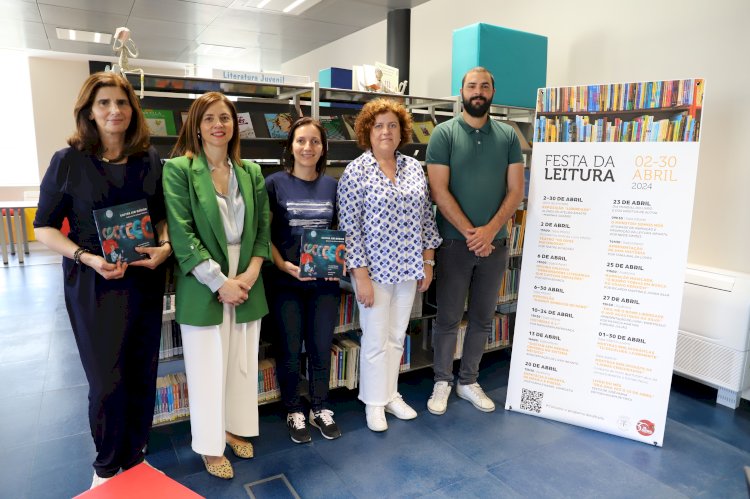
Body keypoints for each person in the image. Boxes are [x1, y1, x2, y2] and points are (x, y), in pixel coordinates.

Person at [33, 72, 173, 490]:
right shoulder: (68, 161)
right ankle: (107, 467)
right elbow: (43, 227)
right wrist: (87, 257)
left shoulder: (149, 159)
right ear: (89, 113)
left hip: (143, 282)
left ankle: (136, 456)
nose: (115, 111)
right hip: (93, 285)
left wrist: (164, 245)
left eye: (122, 103)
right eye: (104, 104)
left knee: (142, 372)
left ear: (133, 111)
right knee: (106, 380)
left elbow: (161, 213)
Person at [162, 92, 271, 479]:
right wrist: (221, 282)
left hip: (247, 276)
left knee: (241, 362)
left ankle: (234, 426)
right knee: (208, 365)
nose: (217, 125)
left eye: (224, 117)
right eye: (208, 118)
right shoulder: (178, 169)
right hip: (203, 281)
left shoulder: (251, 172)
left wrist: (251, 272)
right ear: (196, 124)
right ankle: (210, 446)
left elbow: (261, 229)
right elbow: (181, 232)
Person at [425, 67, 525, 415]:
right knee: (449, 317)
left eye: (484, 86)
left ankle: (468, 381)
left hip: (494, 245)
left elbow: (516, 191)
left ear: (493, 91)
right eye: (472, 86)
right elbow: (438, 190)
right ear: (461, 92)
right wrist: (472, 232)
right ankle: (442, 381)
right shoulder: (443, 134)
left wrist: (488, 232)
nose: (478, 91)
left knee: (483, 317)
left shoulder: (509, 136)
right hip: (454, 244)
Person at [338, 98, 441, 432]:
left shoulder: (413, 168)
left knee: (396, 336)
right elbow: (349, 229)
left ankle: (391, 393)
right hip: (374, 273)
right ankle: (374, 403)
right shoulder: (356, 172)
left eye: (392, 125)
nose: (386, 131)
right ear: (368, 131)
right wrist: (360, 277)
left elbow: (427, 218)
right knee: (374, 338)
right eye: (379, 125)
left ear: (401, 132)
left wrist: (429, 261)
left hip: (409, 267)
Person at [264, 117, 342, 443]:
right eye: (301, 141)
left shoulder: (332, 186)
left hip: (324, 283)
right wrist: (282, 264)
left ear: (323, 148)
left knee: (321, 346)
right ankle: (294, 409)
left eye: (315, 142)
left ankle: (320, 407)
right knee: (290, 349)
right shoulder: (273, 184)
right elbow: (261, 234)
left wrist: (340, 258)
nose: (308, 147)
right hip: (286, 283)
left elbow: (340, 233)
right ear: (290, 145)